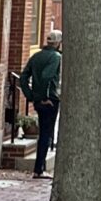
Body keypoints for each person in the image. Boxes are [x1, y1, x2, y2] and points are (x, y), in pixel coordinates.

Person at [19, 28, 62, 177]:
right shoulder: (56, 57)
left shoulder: (36, 56)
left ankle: (40, 166)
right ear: (58, 43)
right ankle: (39, 169)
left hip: (38, 99)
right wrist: (45, 98)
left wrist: (30, 95)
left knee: (44, 133)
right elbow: (46, 77)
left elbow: (23, 77)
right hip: (49, 99)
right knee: (46, 134)